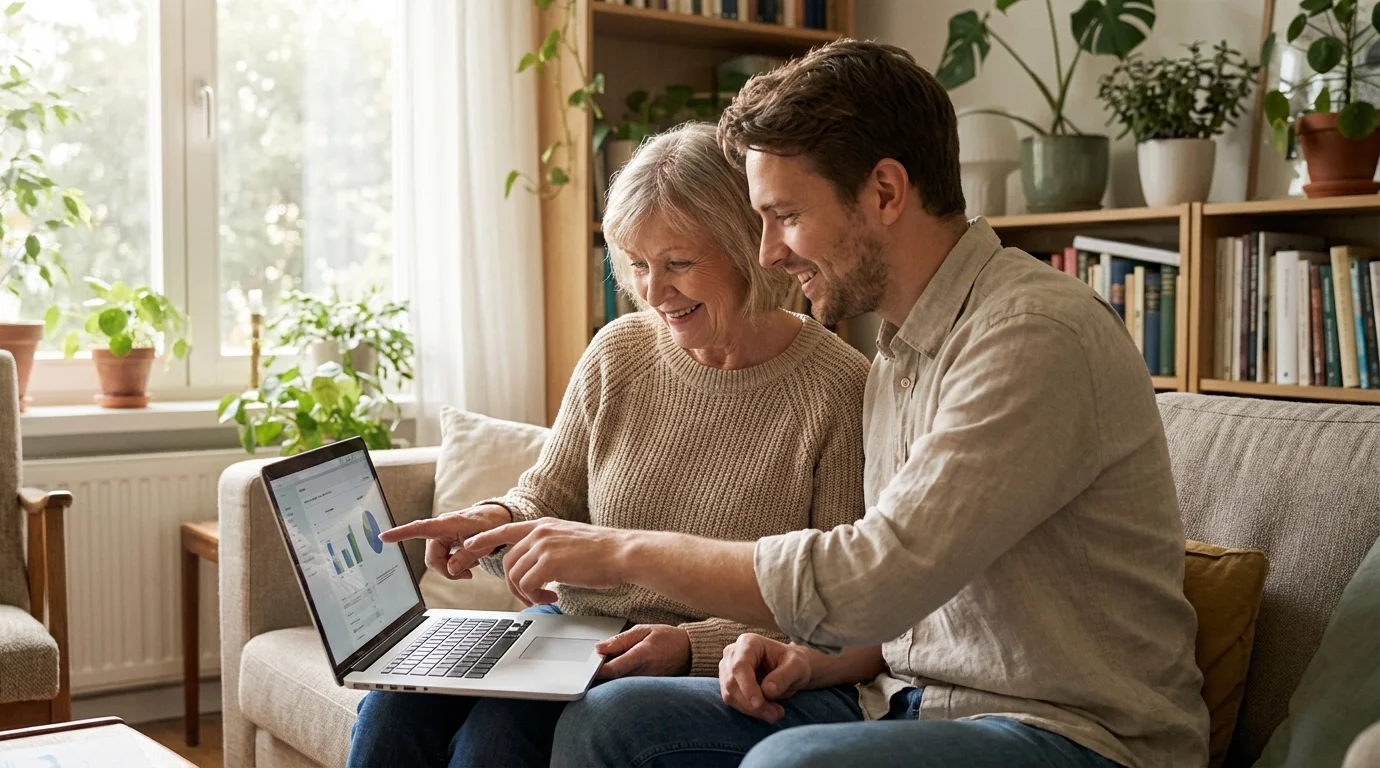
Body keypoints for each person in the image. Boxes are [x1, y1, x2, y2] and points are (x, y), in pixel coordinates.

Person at [461, 40, 1210, 768]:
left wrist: (619, 548)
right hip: (907, 699)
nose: (768, 254)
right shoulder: (899, 352)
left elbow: (869, 581)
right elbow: (892, 623)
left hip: (1068, 731)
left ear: (884, 192)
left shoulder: (1030, 337)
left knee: (796, 763)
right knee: (616, 721)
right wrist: (798, 660)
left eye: (784, 215)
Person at [345, 121, 870, 768]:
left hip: (709, 660)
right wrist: (495, 522)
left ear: (749, 248)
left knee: (499, 739)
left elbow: (843, 606)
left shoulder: (839, 391)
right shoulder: (618, 351)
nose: (653, 292)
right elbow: (548, 495)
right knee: (395, 703)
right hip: (574, 635)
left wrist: (691, 647)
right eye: (638, 265)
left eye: (678, 264)